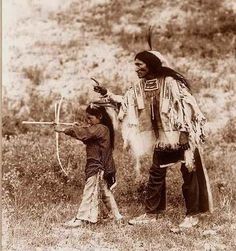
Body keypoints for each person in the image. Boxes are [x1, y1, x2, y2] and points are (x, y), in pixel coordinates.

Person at [94, 50, 213, 228]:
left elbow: (186, 106)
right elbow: (125, 103)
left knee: (189, 174)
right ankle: (152, 213)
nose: (136, 69)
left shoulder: (171, 83)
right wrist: (106, 93)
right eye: (135, 65)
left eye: (139, 64)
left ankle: (192, 214)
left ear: (150, 65)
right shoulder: (141, 86)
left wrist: (184, 133)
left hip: (182, 136)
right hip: (163, 138)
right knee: (156, 173)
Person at [54, 104, 123, 227]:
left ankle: (81, 218)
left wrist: (64, 129)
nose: (88, 121)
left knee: (89, 190)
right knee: (105, 192)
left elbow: (85, 133)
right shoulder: (100, 129)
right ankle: (117, 217)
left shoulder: (101, 128)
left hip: (98, 166)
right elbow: (86, 136)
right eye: (87, 118)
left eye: (90, 118)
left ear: (100, 117)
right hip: (100, 166)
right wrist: (75, 127)